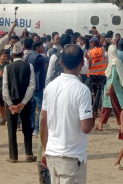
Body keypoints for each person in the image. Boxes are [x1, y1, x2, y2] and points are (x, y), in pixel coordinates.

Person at [41, 44, 95, 184]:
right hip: (72, 156)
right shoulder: (82, 90)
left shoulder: (50, 87)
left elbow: (43, 120)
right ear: (82, 63)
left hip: (52, 154)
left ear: (61, 62)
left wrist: (44, 149)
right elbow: (86, 127)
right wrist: (93, 115)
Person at [2, 41, 36, 163]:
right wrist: (23, 102)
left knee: (11, 129)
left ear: (12, 55)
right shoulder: (29, 66)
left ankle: (13, 156)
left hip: (11, 102)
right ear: (22, 54)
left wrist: (10, 104)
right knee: (27, 127)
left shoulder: (7, 67)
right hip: (25, 103)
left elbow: (5, 87)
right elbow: (31, 86)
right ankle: (28, 153)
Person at [95, 45, 123, 131]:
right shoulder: (117, 61)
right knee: (108, 107)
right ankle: (100, 124)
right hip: (114, 87)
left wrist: (109, 88)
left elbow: (114, 77)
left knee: (116, 107)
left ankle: (122, 125)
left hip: (112, 88)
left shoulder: (114, 63)